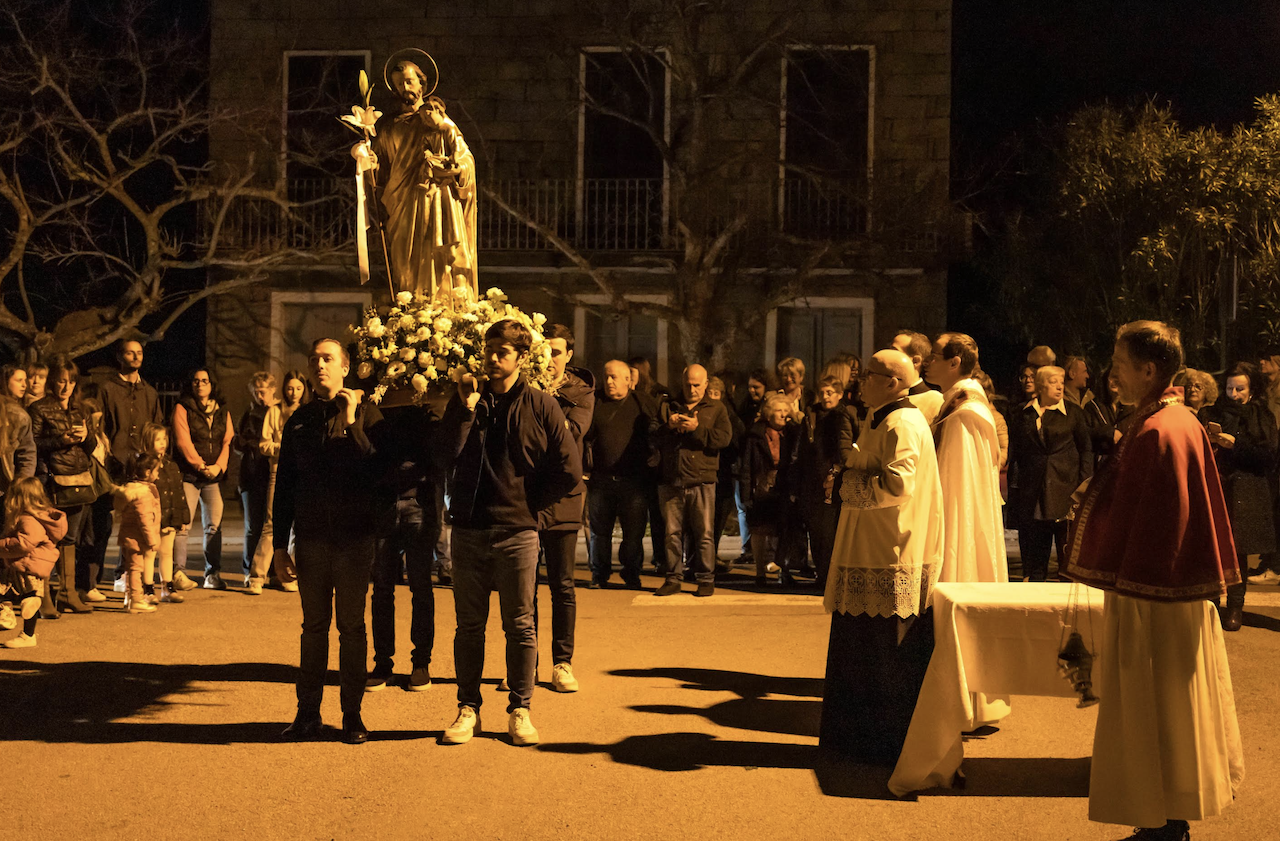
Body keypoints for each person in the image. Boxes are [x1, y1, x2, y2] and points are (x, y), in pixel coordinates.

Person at [1062, 320, 1243, 841]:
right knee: (1167, 709)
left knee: (1154, 708)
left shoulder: (1160, 431)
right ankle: (1164, 817)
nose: (1111, 375)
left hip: (1153, 595)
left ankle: (1164, 821)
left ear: (1148, 369)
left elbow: (1156, 519)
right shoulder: (1167, 421)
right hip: (1164, 593)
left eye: (1119, 366)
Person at [438, 320, 580, 747]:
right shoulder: (467, 401)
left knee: (520, 625)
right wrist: (464, 409)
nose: (494, 358)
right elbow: (443, 455)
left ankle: (520, 709)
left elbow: (569, 469)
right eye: (489, 350)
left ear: (521, 357)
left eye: (503, 351)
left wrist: (534, 507)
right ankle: (468, 709)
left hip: (518, 529)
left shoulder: (540, 405)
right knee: (469, 626)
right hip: (469, 528)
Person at [820, 348, 943, 765]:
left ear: (892, 382)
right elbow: (873, 461)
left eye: (869, 375)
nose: (860, 382)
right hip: (871, 549)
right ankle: (854, 742)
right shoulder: (886, 418)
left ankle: (878, 746)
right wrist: (846, 466)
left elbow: (897, 485)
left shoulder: (904, 422)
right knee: (861, 653)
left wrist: (846, 486)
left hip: (888, 554)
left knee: (878, 657)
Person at [274, 338, 385, 746]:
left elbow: (374, 471)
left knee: (352, 628)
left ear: (346, 368)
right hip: (313, 539)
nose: (319, 365)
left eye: (328, 359)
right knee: (313, 627)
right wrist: (279, 546)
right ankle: (307, 714)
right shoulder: (300, 421)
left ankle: (352, 716)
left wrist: (352, 419)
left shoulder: (369, 413)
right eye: (314, 359)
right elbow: (285, 484)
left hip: (354, 539)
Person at [354, 57, 477, 299]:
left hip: (435, 202)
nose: (405, 88)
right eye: (399, 84)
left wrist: (453, 169)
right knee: (405, 267)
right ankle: (410, 311)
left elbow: (465, 160)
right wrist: (368, 161)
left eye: (409, 81)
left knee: (437, 257)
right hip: (401, 205)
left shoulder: (438, 122)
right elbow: (381, 171)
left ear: (422, 84)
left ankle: (439, 309)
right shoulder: (388, 127)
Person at [366, 400, 439, 694]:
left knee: (420, 586)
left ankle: (421, 662)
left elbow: (435, 452)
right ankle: (383, 662)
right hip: (385, 503)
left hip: (417, 504)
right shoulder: (377, 406)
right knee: (382, 587)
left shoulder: (426, 410)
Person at [1198, 362, 1277, 631]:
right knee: (1212, 545)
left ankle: (1235, 607)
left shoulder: (1262, 416)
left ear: (1252, 389)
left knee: (1237, 549)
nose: (1233, 394)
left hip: (1246, 487)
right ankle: (1210, 604)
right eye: (1230, 388)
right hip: (1217, 484)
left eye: (1240, 388)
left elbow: (1267, 457)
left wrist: (1236, 445)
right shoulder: (1212, 412)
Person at [926, 333, 1008, 584]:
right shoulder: (955, 402)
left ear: (954, 363)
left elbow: (959, 492)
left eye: (934, 356)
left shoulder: (965, 413)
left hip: (958, 524)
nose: (928, 362)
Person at [540, 324, 594, 694]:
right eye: (543, 351)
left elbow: (569, 437)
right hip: (525, 497)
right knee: (522, 587)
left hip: (563, 495)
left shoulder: (581, 392)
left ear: (569, 355)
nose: (549, 359)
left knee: (562, 584)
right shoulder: (523, 386)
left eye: (556, 352)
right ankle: (522, 661)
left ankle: (562, 663)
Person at [651, 364, 733, 598]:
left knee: (704, 533)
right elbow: (653, 437)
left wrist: (697, 429)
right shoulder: (668, 407)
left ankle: (706, 578)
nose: (692, 388)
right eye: (688, 384)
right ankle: (673, 578)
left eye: (697, 384)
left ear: (706, 384)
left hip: (702, 480)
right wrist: (670, 426)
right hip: (672, 480)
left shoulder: (717, 409)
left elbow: (724, 439)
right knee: (671, 533)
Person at [1009, 365, 1092, 581]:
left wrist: (1083, 485)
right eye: (1053, 381)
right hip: (1033, 492)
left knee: (1066, 553)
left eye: (1062, 382)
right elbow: (1016, 453)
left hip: (1065, 491)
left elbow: (1086, 450)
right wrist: (1016, 490)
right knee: (1035, 555)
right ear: (1040, 385)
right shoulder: (1023, 413)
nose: (1059, 386)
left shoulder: (1073, 414)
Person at [28, 354, 95, 614]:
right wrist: (61, 440)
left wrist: (87, 436)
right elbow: (32, 444)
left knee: (70, 538)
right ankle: (43, 597)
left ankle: (67, 593)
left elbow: (90, 448)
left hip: (78, 478)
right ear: (52, 383)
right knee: (48, 538)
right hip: (52, 480)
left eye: (70, 381)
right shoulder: (40, 408)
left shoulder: (80, 409)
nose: (65, 386)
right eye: (59, 381)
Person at [585, 359, 656, 590]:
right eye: (605, 376)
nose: (608, 381)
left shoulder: (642, 403)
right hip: (601, 480)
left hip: (633, 481)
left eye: (614, 377)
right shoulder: (594, 401)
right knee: (599, 533)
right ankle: (599, 574)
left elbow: (657, 431)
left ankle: (632, 573)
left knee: (633, 534)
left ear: (628, 380)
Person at [172, 369, 234, 590]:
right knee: (182, 525)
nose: (200, 385)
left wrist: (219, 467)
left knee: (214, 526)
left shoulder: (221, 410)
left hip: (213, 476)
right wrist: (200, 466)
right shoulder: (183, 408)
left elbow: (227, 440)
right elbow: (183, 441)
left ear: (211, 384)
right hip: (189, 475)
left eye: (204, 381)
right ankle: (178, 573)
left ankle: (212, 575)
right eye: (196, 381)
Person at [792, 375, 853, 588]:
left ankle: (832, 577)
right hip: (812, 479)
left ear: (839, 395)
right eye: (823, 392)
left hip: (833, 479)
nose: (826, 397)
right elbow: (801, 449)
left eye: (830, 393)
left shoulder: (842, 415)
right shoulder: (811, 415)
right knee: (816, 533)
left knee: (831, 534)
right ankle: (822, 574)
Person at [252, 370, 309, 593]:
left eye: (298, 388)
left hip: (304, 473)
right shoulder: (275, 412)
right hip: (278, 471)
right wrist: (284, 448)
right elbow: (264, 444)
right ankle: (257, 576)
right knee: (271, 523)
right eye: (290, 388)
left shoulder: (307, 412)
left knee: (299, 527)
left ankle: (286, 576)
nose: (293, 392)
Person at [0, 477, 67, 648]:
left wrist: (2, 545)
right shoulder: (41, 515)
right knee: (26, 596)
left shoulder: (27, 518)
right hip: (33, 564)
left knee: (13, 592)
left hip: (26, 563)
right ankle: (26, 631)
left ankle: (18, 624)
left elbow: (24, 543)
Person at [741, 394, 800, 586]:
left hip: (784, 486)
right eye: (778, 411)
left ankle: (784, 570)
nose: (783, 415)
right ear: (769, 413)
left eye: (786, 411)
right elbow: (747, 467)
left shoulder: (792, 434)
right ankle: (760, 573)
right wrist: (745, 494)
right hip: (761, 487)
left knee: (784, 530)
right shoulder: (756, 434)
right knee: (760, 530)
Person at [99, 340, 164, 479]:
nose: (136, 357)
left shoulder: (149, 393)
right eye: (130, 353)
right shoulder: (107, 389)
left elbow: (156, 427)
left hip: (143, 463)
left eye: (139, 353)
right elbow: (98, 424)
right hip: (114, 462)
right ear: (119, 357)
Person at [235, 373, 276, 593]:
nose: (261, 396)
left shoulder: (278, 412)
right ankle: (249, 570)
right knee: (253, 526)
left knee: (272, 525)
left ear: (273, 389)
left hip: (271, 473)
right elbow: (238, 442)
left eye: (264, 390)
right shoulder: (249, 414)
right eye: (257, 391)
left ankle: (272, 570)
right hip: (251, 475)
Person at [141, 423, 189, 604]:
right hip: (153, 518)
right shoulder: (145, 466)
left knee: (167, 552)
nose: (162, 443)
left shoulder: (171, 465)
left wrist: (183, 516)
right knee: (150, 553)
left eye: (164, 439)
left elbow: (178, 492)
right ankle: (147, 588)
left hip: (170, 517)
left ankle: (168, 587)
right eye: (157, 439)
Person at [734, 368, 773, 566]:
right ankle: (747, 548)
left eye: (756, 387)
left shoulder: (770, 409)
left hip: (762, 467)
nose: (752, 391)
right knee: (743, 506)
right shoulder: (746, 407)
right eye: (749, 387)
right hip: (745, 460)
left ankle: (768, 551)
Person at [115, 453, 162, 615]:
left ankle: (129, 597)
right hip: (136, 538)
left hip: (129, 536)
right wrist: (152, 540)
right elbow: (145, 520)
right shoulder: (143, 494)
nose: (158, 474)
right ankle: (136, 599)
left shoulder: (133, 490)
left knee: (130, 568)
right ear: (148, 473)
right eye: (156, 471)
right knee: (136, 568)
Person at [707, 375, 745, 574]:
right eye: (710, 393)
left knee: (718, 518)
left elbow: (738, 438)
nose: (713, 397)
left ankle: (710, 556)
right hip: (707, 473)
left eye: (716, 393)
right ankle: (706, 558)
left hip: (725, 473)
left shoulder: (728, 414)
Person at [890, 331, 944, 423]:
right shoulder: (883, 393)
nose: (887, 355)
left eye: (895, 352)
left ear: (916, 361)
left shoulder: (934, 401)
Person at [775, 357, 813, 423]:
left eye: (792, 375)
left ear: (801, 377)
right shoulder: (774, 397)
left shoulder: (810, 398)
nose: (788, 379)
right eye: (785, 375)